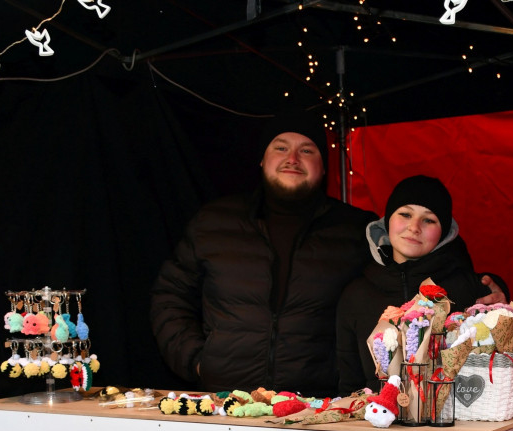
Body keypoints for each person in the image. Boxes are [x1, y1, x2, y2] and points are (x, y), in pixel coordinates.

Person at [150, 113, 376, 397]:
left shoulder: (357, 231)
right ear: (262, 159)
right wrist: (198, 362)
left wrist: (347, 374)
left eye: (307, 150)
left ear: (323, 166)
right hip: (224, 403)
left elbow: (385, 307)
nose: (292, 158)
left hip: (317, 408)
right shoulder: (213, 222)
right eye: (280, 147)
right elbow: (170, 297)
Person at [336, 174, 506, 394]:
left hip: (458, 423)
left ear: (444, 231)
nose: (414, 227)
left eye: (429, 220)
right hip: (378, 422)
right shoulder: (355, 294)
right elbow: (349, 384)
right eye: (405, 214)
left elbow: (502, 369)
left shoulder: (469, 290)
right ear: (387, 220)